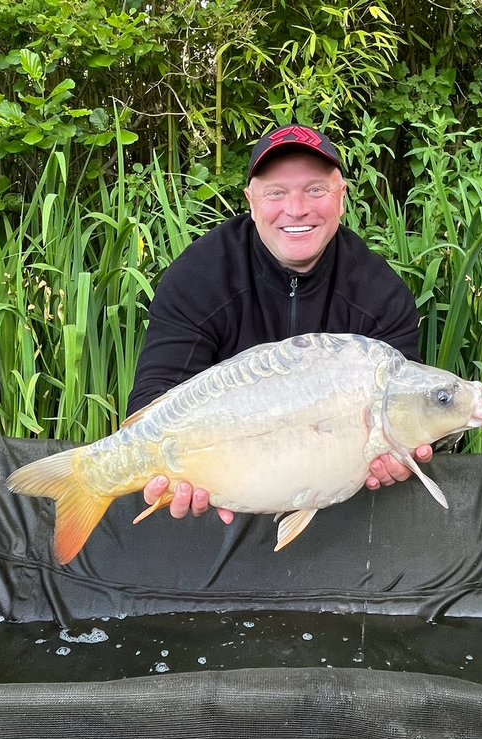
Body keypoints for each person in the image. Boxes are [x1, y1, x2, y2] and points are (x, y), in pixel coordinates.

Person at [127, 124, 433, 524]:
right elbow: (153, 401)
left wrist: (399, 457)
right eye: (276, 193)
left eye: (316, 190)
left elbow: (405, 409)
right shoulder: (199, 277)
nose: (296, 208)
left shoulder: (380, 294)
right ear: (251, 202)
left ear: (341, 198)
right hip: (222, 497)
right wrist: (174, 476)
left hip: (343, 512)